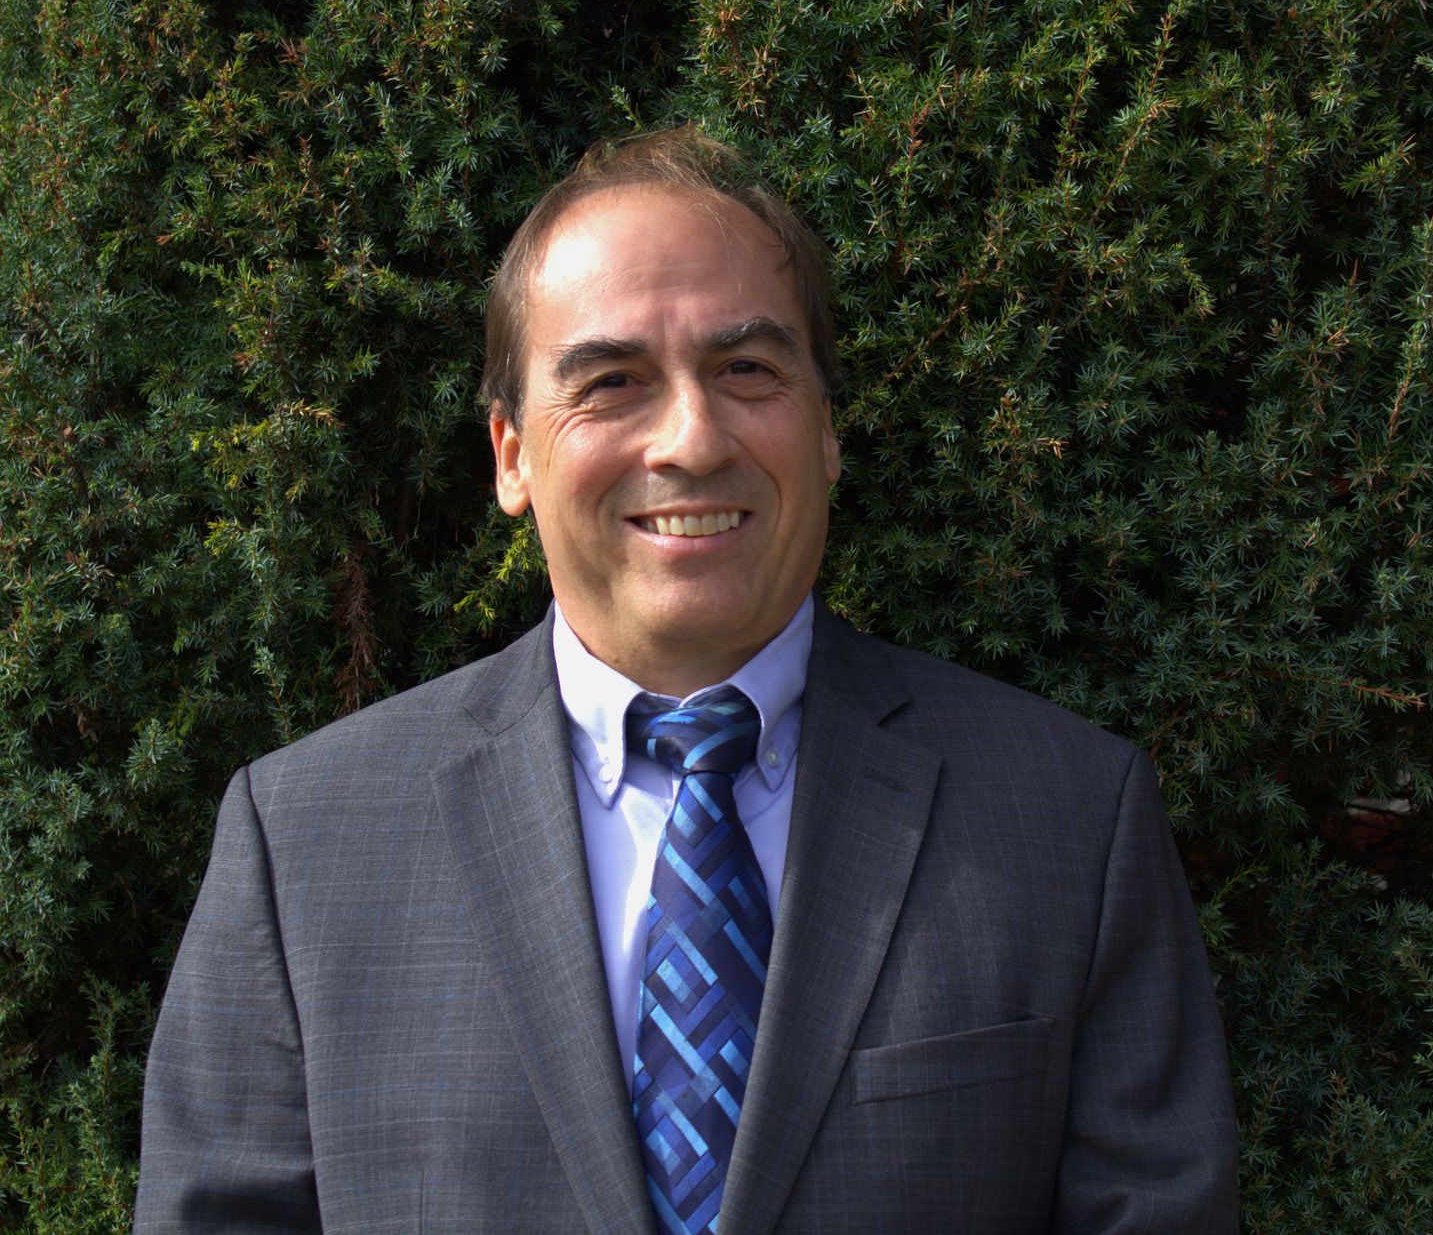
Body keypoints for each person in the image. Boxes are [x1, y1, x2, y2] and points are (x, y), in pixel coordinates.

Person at [135, 127, 1238, 1234]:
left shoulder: (1068, 821)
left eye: (746, 370)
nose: (692, 439)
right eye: (611, 382)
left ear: (828, 431)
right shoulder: (307, 845)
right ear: (513, 453)